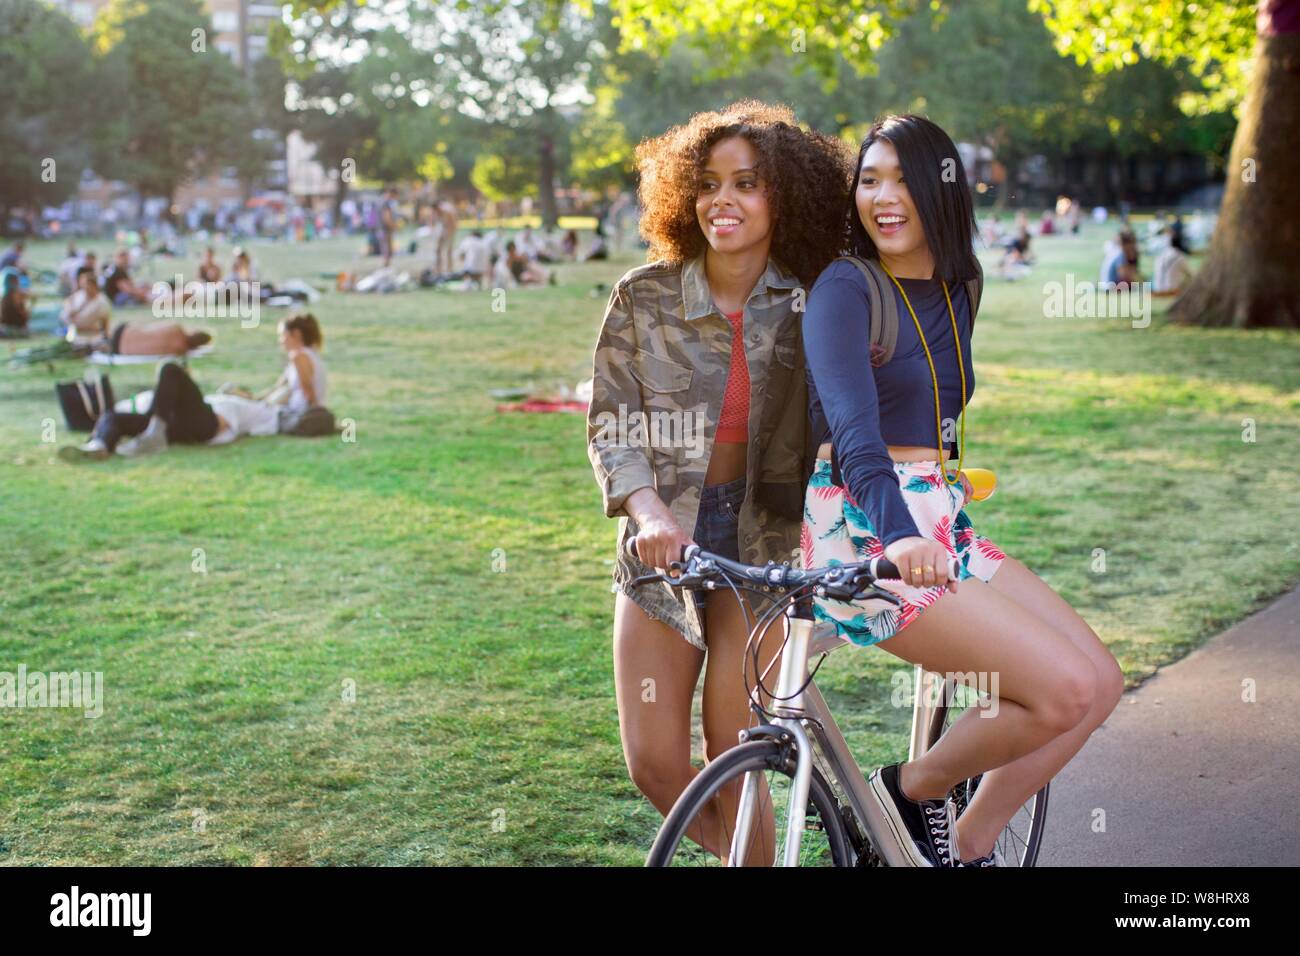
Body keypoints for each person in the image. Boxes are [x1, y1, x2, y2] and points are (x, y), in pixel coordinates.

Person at [800, 114, 1123, 867]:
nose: (882, 197)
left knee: (1100, 684)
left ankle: (967, 846)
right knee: (1064, 689)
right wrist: (901, 530)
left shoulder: (959, 286)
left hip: (940, 517)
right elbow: (854, 434)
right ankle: (906, 789)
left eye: (903, 180)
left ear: (943, 190)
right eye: (869, 179)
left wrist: (942, 482)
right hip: (863, 525)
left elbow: (936, 412)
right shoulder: (846, 288)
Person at [587, 100, 852, 863]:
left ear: (785, 198)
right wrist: (646, 513)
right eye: (707, 184)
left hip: (765, 546)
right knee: (655, 763)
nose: (722, 202)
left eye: (747, 184)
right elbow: (612, 425)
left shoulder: (815, 300)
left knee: (736, 758)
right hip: (664, 540)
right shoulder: (643, 297)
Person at [1, 270, 32, 337]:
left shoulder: (4, 296)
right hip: (17, 330)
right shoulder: (16, 296)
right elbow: (24, 318)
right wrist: (32, 305)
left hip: (5, 328)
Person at [380, 187, 400, 267]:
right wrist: (394, 226)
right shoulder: (387, 203)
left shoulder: (386, 202)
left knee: (388, 250)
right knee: (388, 251)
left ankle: (386, 267)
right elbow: (386, 218)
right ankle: (385, 267)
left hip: (386, 229)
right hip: (386, 229)